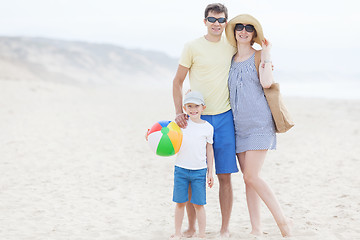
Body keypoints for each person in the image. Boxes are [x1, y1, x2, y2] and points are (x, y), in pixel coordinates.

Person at [172, 3, 239, 237]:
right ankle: (191, 227)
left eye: (221, 20)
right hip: (195, 119)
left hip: (224, 117)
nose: (216, 24)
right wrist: (180, 112)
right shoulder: (191, 46)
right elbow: (177, 81)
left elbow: (252, 52)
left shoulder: (231, 45)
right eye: (212, 20)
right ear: (205, 22)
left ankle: (224, 228)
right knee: (192, 172)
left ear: (226, 23)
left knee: (225, 176)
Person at [225, 14, 292, 237]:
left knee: (251, 176)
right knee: (248, 180)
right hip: (237, 127)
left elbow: (266, 82)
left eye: (249, 28)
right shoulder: (230, 58)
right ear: (234, 32)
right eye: (239, 27)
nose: (243, 31)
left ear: (254, 33)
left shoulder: (259, 56)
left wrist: (267, 53)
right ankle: (256, 229)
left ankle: (283, 222)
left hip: (259, 124)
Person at [171, 91, 214, 239]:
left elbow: (209, 149)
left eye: (196, 106)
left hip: (199, 171)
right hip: (181, 169)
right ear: (184, 107)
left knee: (199, 204)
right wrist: (149, 134)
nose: (193, 109)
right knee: (180, 203)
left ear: (203, 107)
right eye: (189, 106)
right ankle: (177, 233)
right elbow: (163, 134)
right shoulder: (181, 124)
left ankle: (201, 234)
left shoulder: (208, 127)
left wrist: (210, 172)